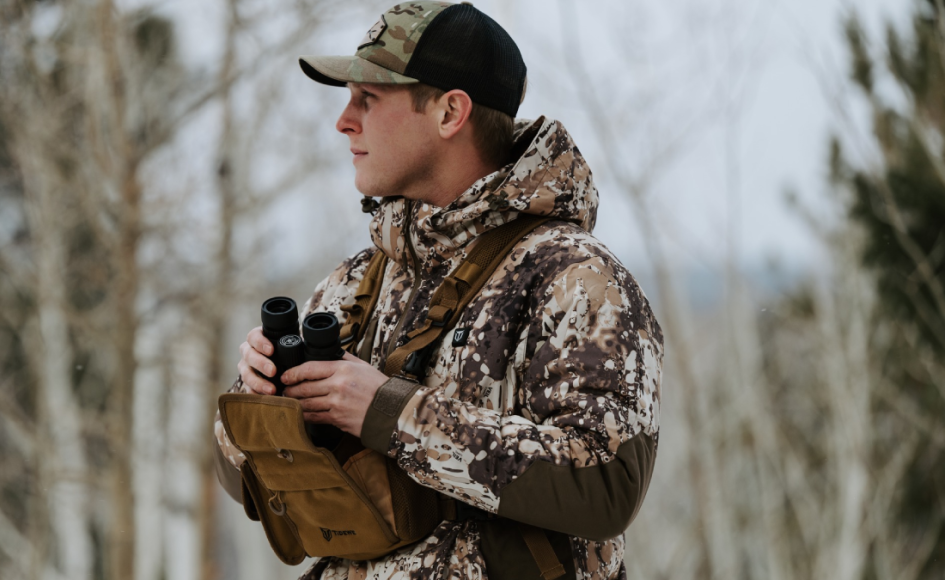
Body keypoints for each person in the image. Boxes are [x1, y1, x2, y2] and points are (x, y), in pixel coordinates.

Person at [214, 2, 663, 579]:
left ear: (451, 111)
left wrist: (389, 412)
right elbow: (242, 481)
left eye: (368, 99)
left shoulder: (575, 278)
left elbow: (607, 485)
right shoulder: (361, 278)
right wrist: (262, 400)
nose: (343, 121)